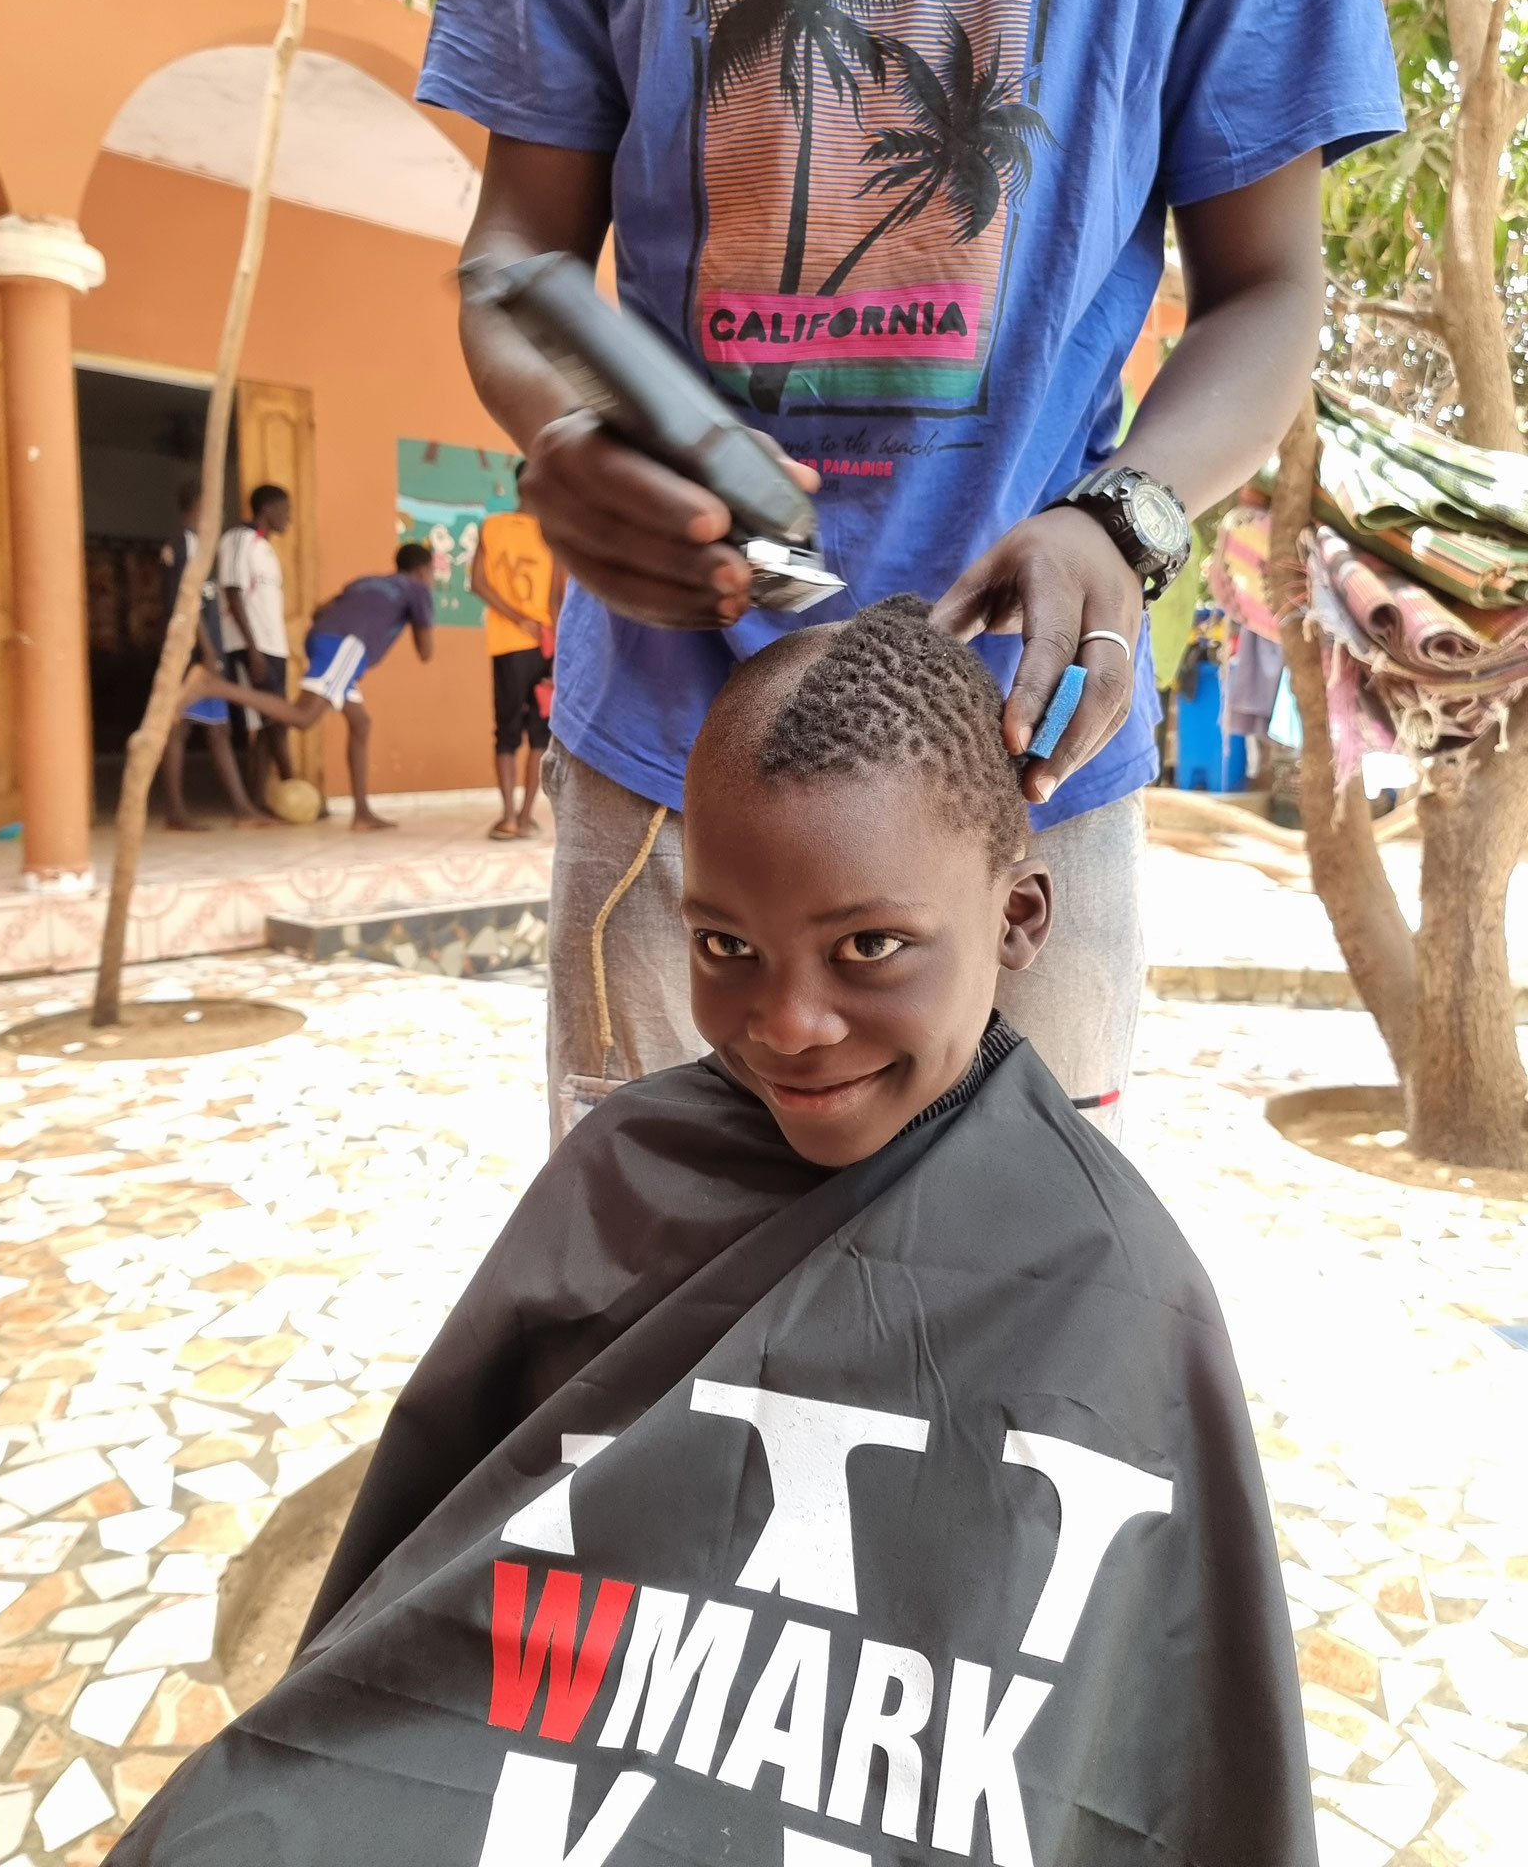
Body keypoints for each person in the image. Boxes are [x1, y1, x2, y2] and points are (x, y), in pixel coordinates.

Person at [113, 601, 1315, 1867]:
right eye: (725, 944)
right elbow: (426, 1584)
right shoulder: (625, 1171)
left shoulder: (1115, 1279)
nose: (788, 1022)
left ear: (1017, 916)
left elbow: (1144, 1757)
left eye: (870, 945)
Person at [420, 0, 1405, 1144]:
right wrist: (569, 427)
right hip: (668, 765)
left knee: (1021, 1262)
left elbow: (1269, 289)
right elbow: (515, 256)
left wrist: (1124, 518)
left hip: (1030, 770)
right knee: (659, 1262)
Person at [181, 544, 435, 832]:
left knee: (360, 723)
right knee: (303, 717)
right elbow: (426, 652)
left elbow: (319, 611)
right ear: (423, 570)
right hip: (347, 646)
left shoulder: (368, 581)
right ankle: (212, 685)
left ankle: (362, 813)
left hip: (321, 638)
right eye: (432, 574)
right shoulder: (418, 589)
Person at [157, 480, 262, 831]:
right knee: (181, 728)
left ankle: (242, 807)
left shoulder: (196, 544)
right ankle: (177, 811)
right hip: (193, 653)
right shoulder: (186, 543)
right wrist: (208, 650)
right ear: (199, 504)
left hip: (202, 650)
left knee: (216, 729)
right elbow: (186, 602)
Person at [468, 488, 562, 840]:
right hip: (545, 646)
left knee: (506, 732)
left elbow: (477, 583)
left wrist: (515, 617)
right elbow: (555, 601)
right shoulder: (553, 534)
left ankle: (507, 817)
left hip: (507, 646)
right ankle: (524, 818)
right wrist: (558, 657)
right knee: (540, 734)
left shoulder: (491, 527)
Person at [218, 482, 296, 812]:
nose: (289, 517)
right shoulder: (239, 539)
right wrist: (252, 649)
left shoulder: (267, 550)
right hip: (251, 647)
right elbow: (233, 592)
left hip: (274, 647)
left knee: (266, 726)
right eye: (285, 510)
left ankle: (259, 800)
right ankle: (296, 785)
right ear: (267, 509)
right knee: (275, 721)